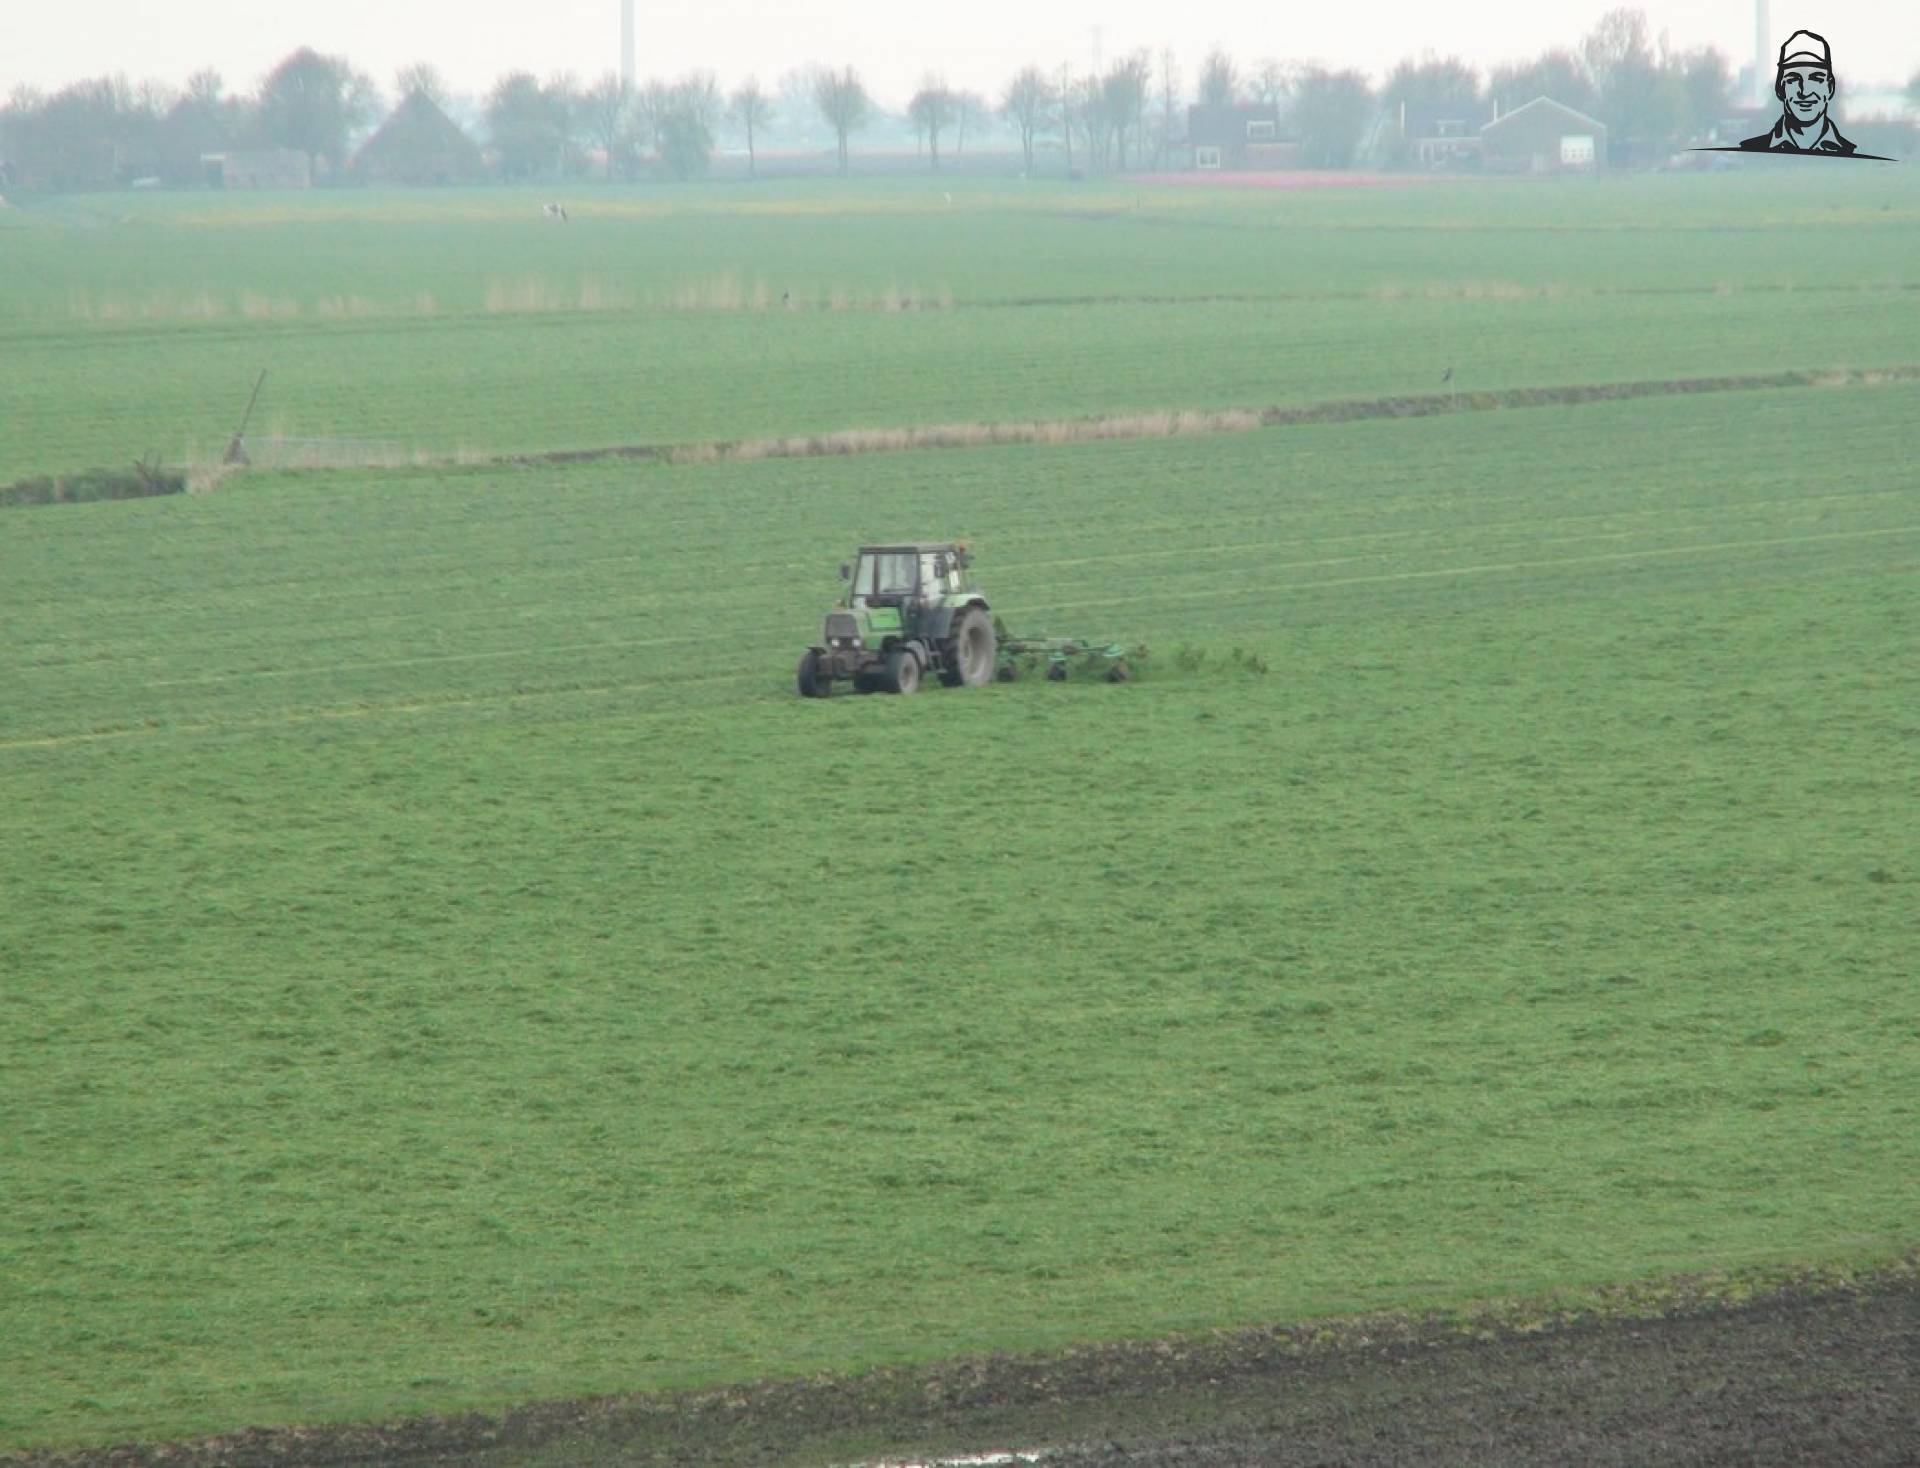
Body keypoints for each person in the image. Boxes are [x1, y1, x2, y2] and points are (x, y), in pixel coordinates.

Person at [1741, 31, 1856, 154]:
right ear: (1780, 90)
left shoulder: (1850, 152)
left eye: (1815, 79)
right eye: (1793, 80)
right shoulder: (1755, 151)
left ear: (1830, 88)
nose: (1804, 92)